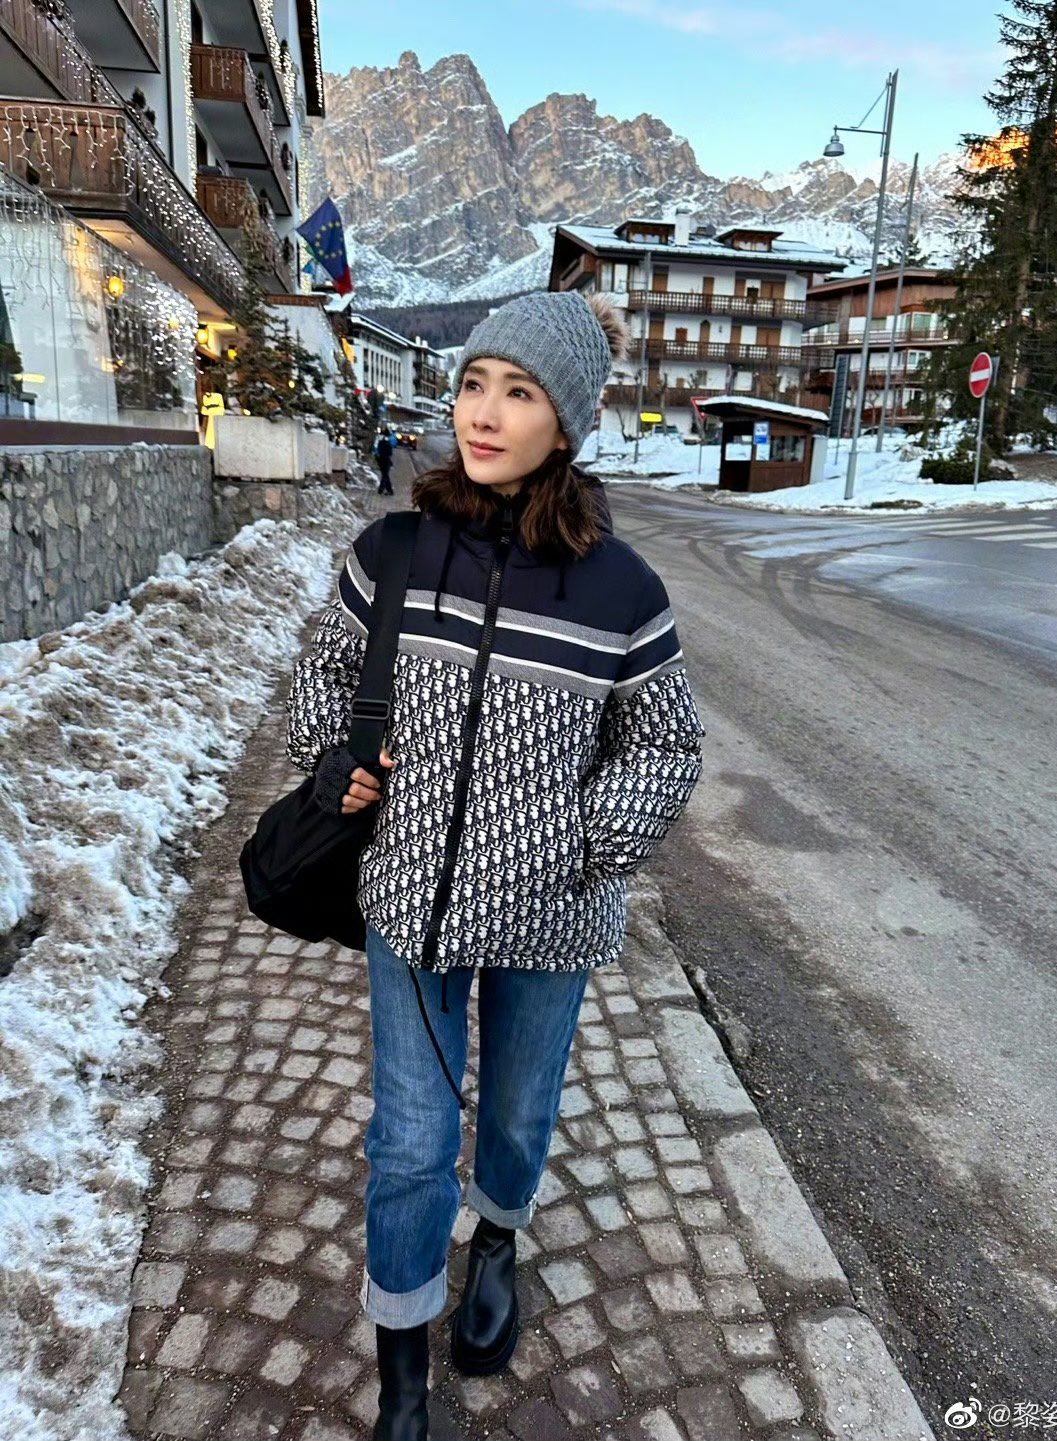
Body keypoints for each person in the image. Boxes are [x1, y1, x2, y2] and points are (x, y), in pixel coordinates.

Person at [285, 290, 705, 1441]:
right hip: (411, 904)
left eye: (519, 393)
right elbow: (324, 678)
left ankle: (500, 1241)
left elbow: (666, 744)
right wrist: (337, 764)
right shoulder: (394, 551)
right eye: (476, 384)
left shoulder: (623, 589)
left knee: (517, 1117)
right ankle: (403, 1374)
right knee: (408, 1146)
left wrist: (582, 846)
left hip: (551, 918)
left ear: (565, 424)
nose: (484, 413)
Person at [374, 428, 394, 495]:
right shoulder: (387, 441)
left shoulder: (379, 439)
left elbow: (376, 449)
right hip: (385, 459)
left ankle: (385, 489)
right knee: (385, 475)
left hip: (380, 459)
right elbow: (390, 452)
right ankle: (385, 489)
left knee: (385, 475)